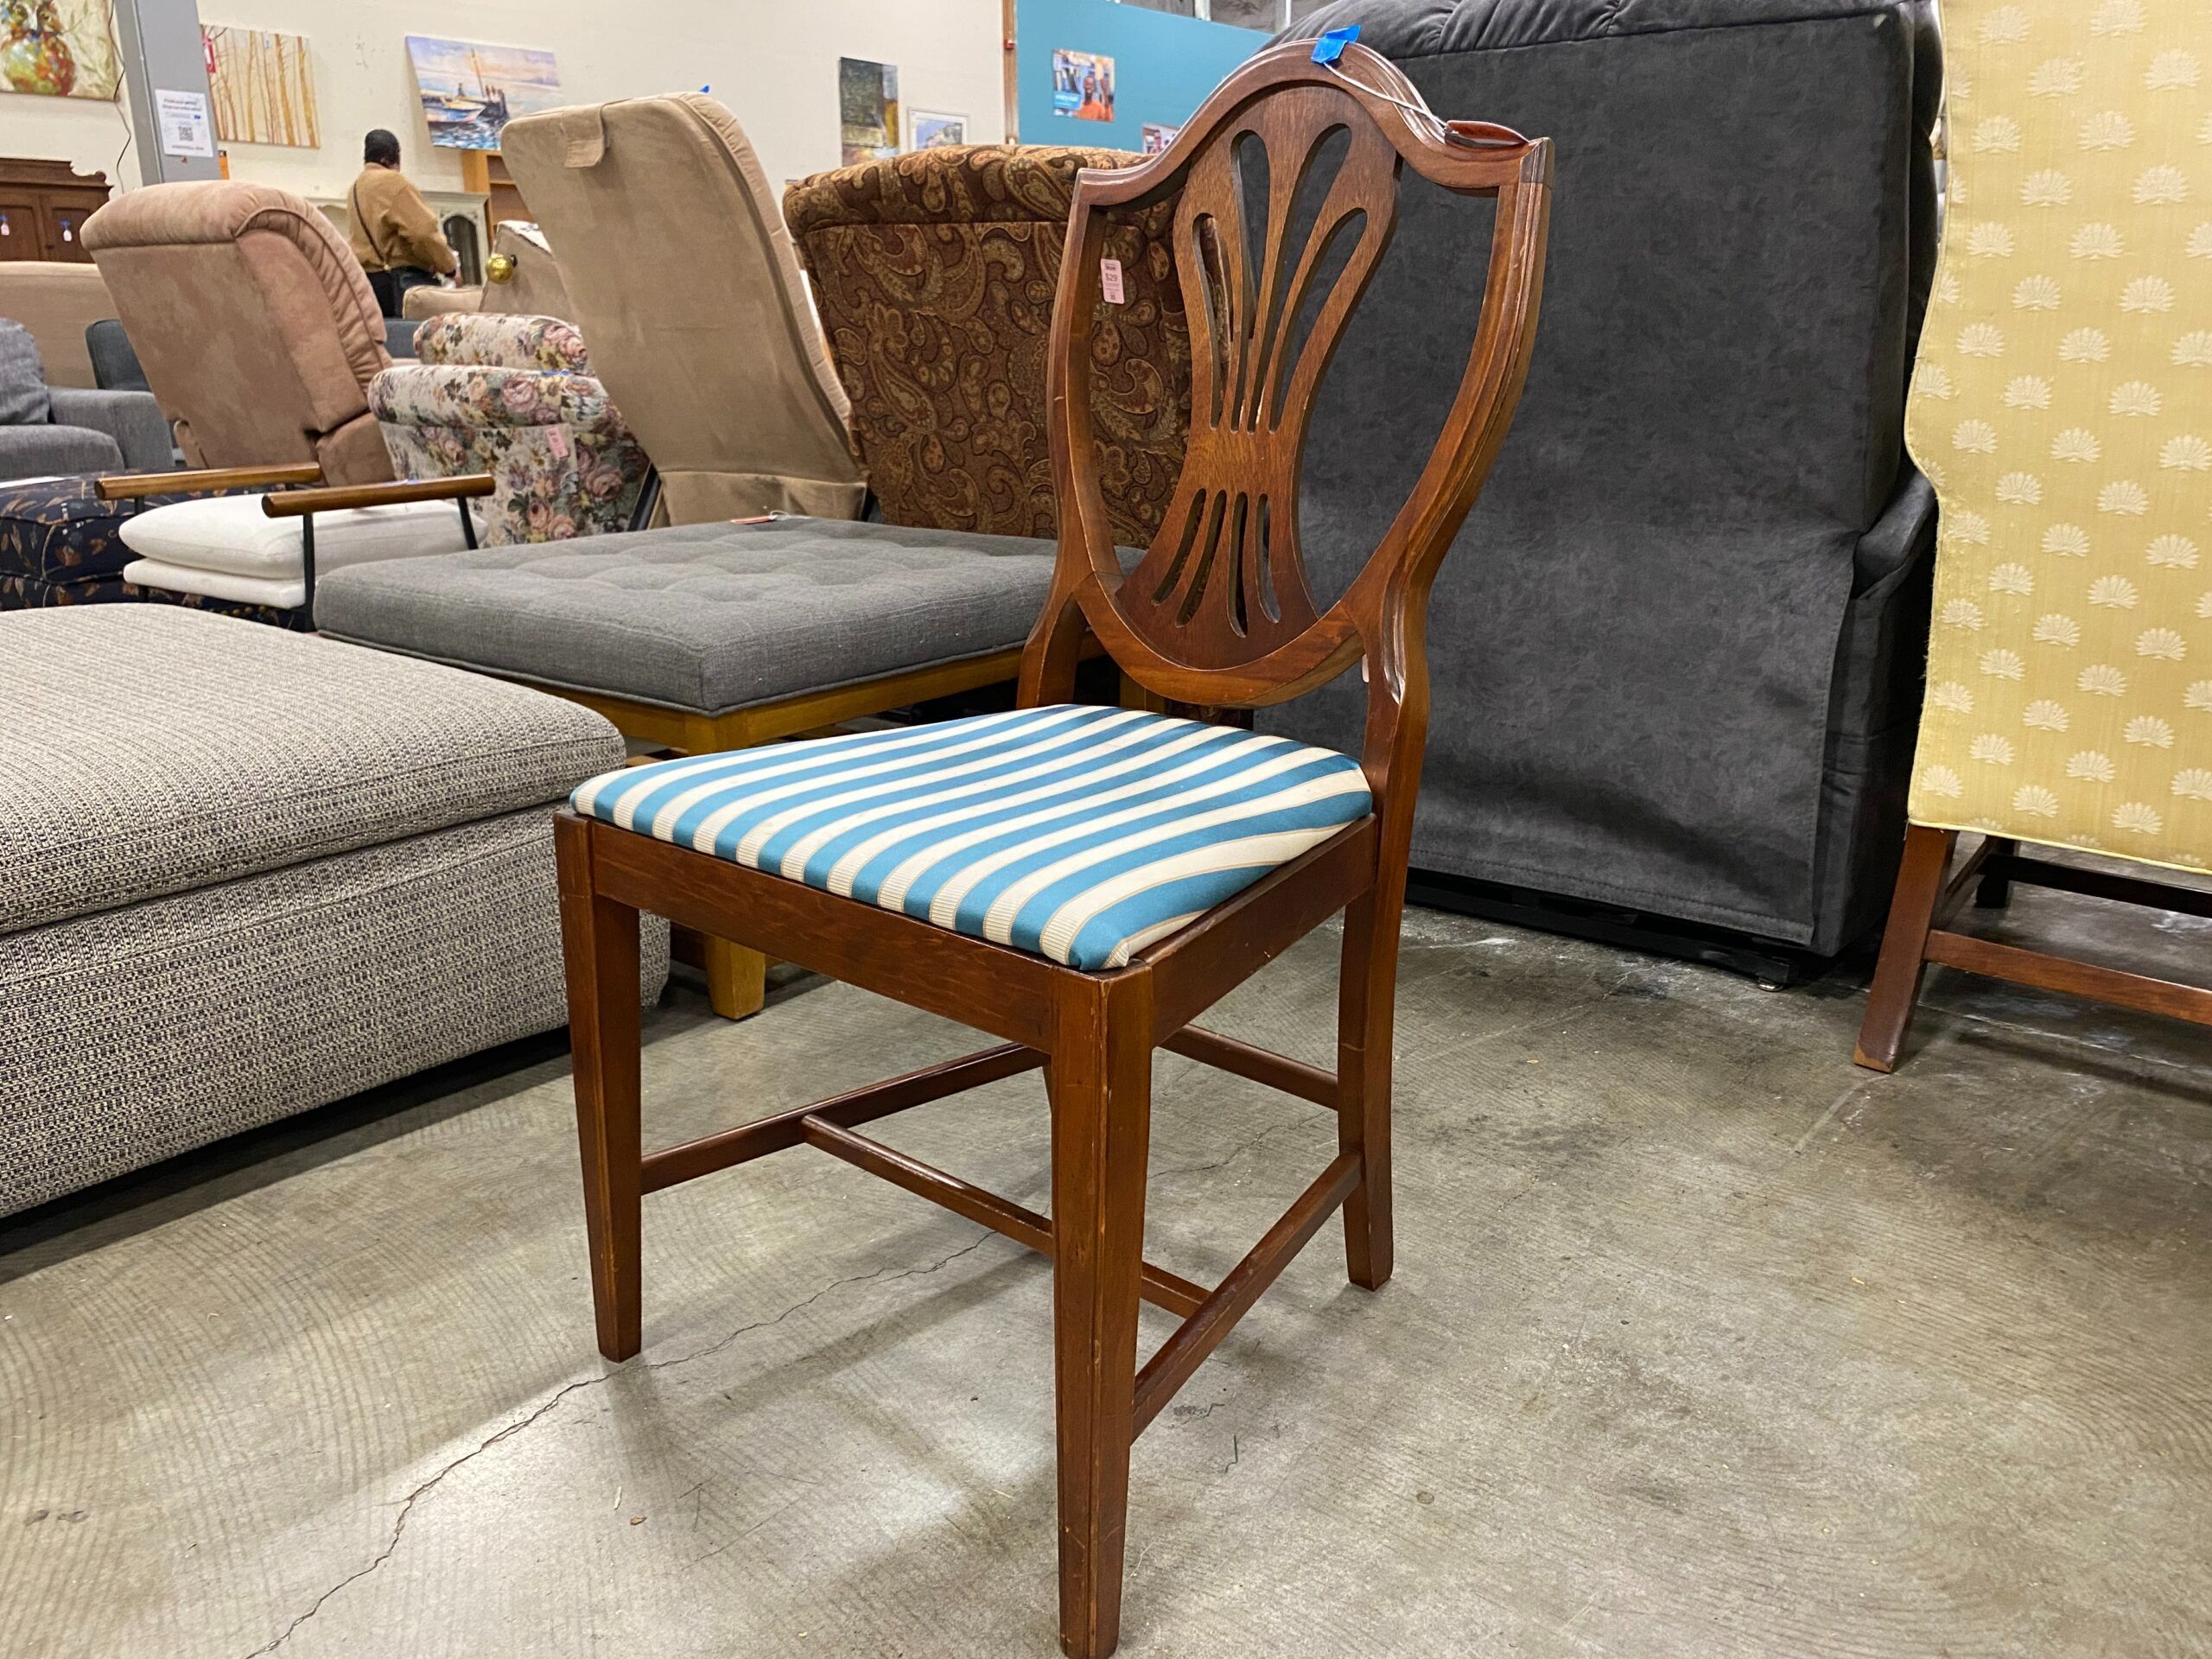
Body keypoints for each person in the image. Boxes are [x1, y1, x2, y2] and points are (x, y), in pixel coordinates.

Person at [347, 129, 458, 318]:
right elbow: (423, 232)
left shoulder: (355, 188)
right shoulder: (393, 181)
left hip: (369, 283)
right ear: (390, 156)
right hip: (401, 281)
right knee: (418, 341)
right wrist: (449, 267)